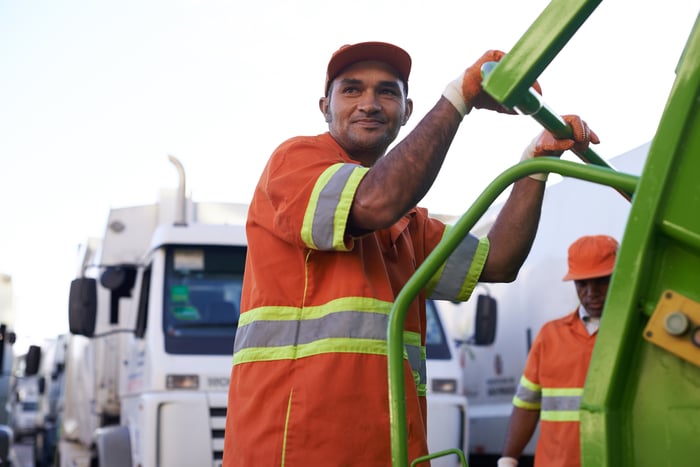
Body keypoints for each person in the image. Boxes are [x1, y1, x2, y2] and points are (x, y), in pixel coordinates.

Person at [223, 41, 599, 466]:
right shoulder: (295, 163)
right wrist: (459, 98)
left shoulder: (408, 224)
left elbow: (499, 261)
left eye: (387, 91)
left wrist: (535, 163)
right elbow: (374, 201)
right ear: (324, 106)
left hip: (391, 453)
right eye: (351, 90)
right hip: (294, 451)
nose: (369, 103)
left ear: (407, 109)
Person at [498, 234, 619, 467]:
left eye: (601, 280)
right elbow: (526, 404)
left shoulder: (638, 333)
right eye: (582, 283)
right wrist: (508, 460)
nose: (591, 292)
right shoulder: (550, 336)